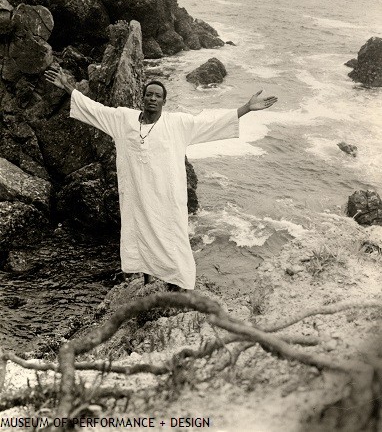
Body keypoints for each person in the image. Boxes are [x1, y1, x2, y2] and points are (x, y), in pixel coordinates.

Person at [44, 67, 277, 291]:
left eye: (158, 96)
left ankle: (180, 287)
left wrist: (246, 108)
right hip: (138, 198)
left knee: (173, 241)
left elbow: (210, 123)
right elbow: (95, 110)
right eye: (149, 94)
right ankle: (149, 285)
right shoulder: (123, 120)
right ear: (142, 98)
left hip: (168, 198)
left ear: (164, 102)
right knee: (141, 238)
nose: (152, 99)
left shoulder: (177, 124)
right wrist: (68, 87)